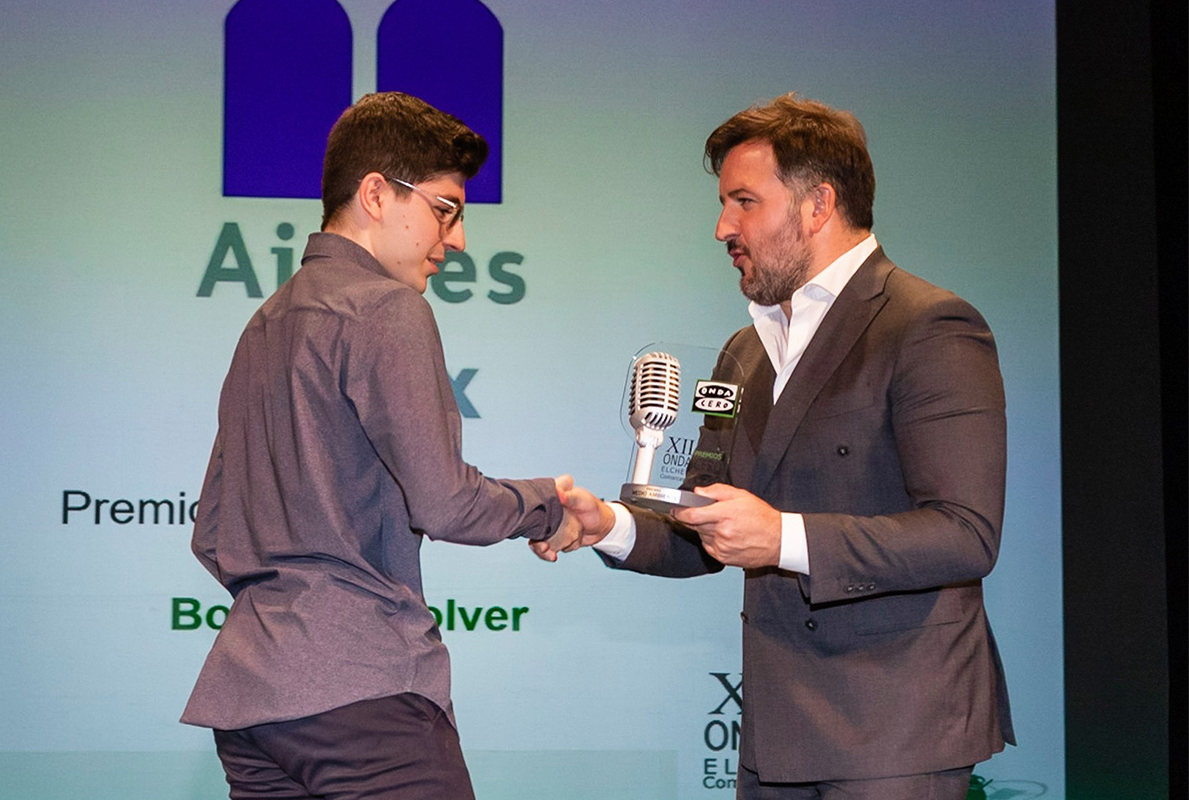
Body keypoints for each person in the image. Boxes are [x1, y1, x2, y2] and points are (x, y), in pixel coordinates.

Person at [541, 92, 1014, 799]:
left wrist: (781, 537)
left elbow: (964, 535)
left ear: (817, 204)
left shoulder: (929, 325)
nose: (722, 227)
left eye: (743, 202)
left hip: (897, 729)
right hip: (774, 736)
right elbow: (701, 530)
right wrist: (606, 525)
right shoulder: (744, 350)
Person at [182, 92, 580, 800]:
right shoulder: (388, 309)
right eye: (445, 209)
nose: (456, 240)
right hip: (362, 697)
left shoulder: (267, 320)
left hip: (250, 702)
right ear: (375, 194)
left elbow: (212, 531)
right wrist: (552, 503)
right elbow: (448, 504)